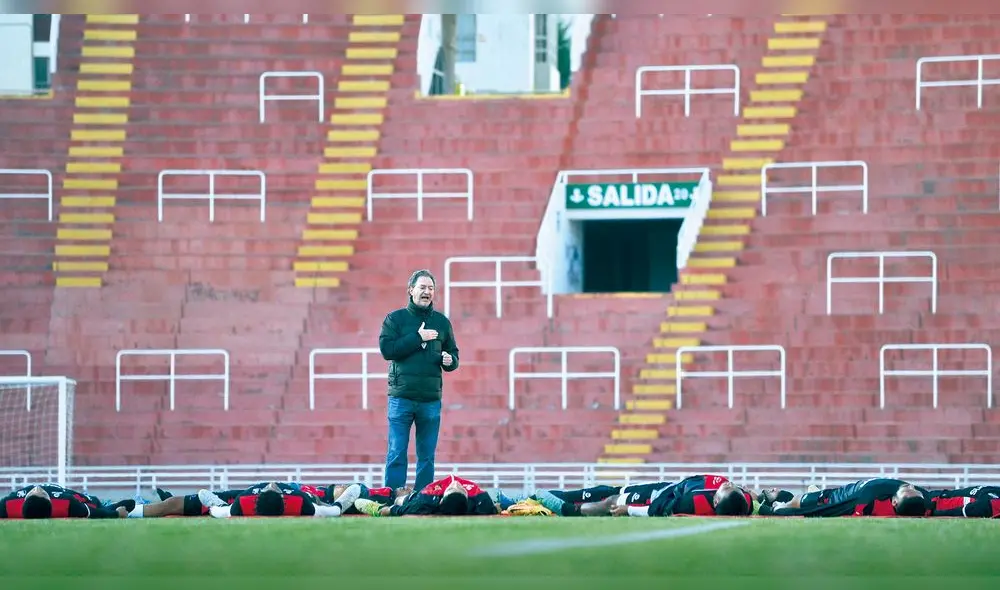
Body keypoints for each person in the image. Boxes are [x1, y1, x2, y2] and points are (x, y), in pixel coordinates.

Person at [378, 269, 460, 492]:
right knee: (396, 451)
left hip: (430, 400)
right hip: (401, 398)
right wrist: (418, 337)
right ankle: (394, 498)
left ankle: (423, 497)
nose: (427, 292)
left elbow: (454, 355)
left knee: (427, 456)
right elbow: (387, 350)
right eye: (422, 287)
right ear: (410, 290)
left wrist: (449, 360)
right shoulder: (395, 319)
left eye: (431, 288)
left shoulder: (442, 322)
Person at [761, 478, 929, 517]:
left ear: (895, 501)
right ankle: (782, 502)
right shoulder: (908, 492)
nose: (911, 487)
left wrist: (773, 511)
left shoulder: (864, 500)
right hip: (846, 492)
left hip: (837, 498)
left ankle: (778, 505)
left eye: (909, 491)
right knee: (804, 500)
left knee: (803, 503)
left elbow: (819, 513)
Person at [354, 475, 497, 517]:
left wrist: (381, 511)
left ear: (441, 500)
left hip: (415, 497)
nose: (455, 483)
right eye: (460, 489)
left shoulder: (424, 503)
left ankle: (376, 506)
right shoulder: (482, 502)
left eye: (451, 489)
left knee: (399, 500)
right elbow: (496, 508)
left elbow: (392, 511)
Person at [199, 482, 362, 518]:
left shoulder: (242, 504)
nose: (271, 483)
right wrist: (339, 504)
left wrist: (216, 505)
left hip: (240, 497)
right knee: (331, 510)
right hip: (302, 491)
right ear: (283, 501)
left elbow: (215, 508)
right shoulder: (298, 502)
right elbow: (334, 510)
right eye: (273, 488)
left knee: (219, 508)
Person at [0, 484, 129, 519]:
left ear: (24, 500)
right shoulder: (66, 503)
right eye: (43, 493)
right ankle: (110, 504)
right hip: (60, 491)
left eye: (33, 492)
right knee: (94, 503)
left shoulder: (8, 505)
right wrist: (117, 513)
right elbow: (93, 513)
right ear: (50, 501)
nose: (37, 488)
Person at [926, 485, 1000, 518]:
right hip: (932, 498)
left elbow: (976, 508)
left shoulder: (994, 500)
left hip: (932, 505)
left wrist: (935, 513)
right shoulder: (995, 491)